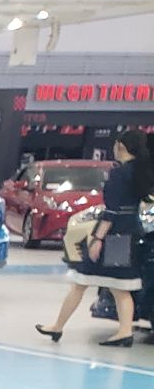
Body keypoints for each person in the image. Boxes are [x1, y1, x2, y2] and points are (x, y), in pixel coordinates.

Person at [37, 131, 153, 348]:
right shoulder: (140, 172)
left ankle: (58, 326)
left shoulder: (119, 174)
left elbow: (112, 211)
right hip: (130, 232)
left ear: (121, 146)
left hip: (114, 235)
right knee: (120, 286)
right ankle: (124, 331)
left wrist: (97, 238)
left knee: (81, 281)